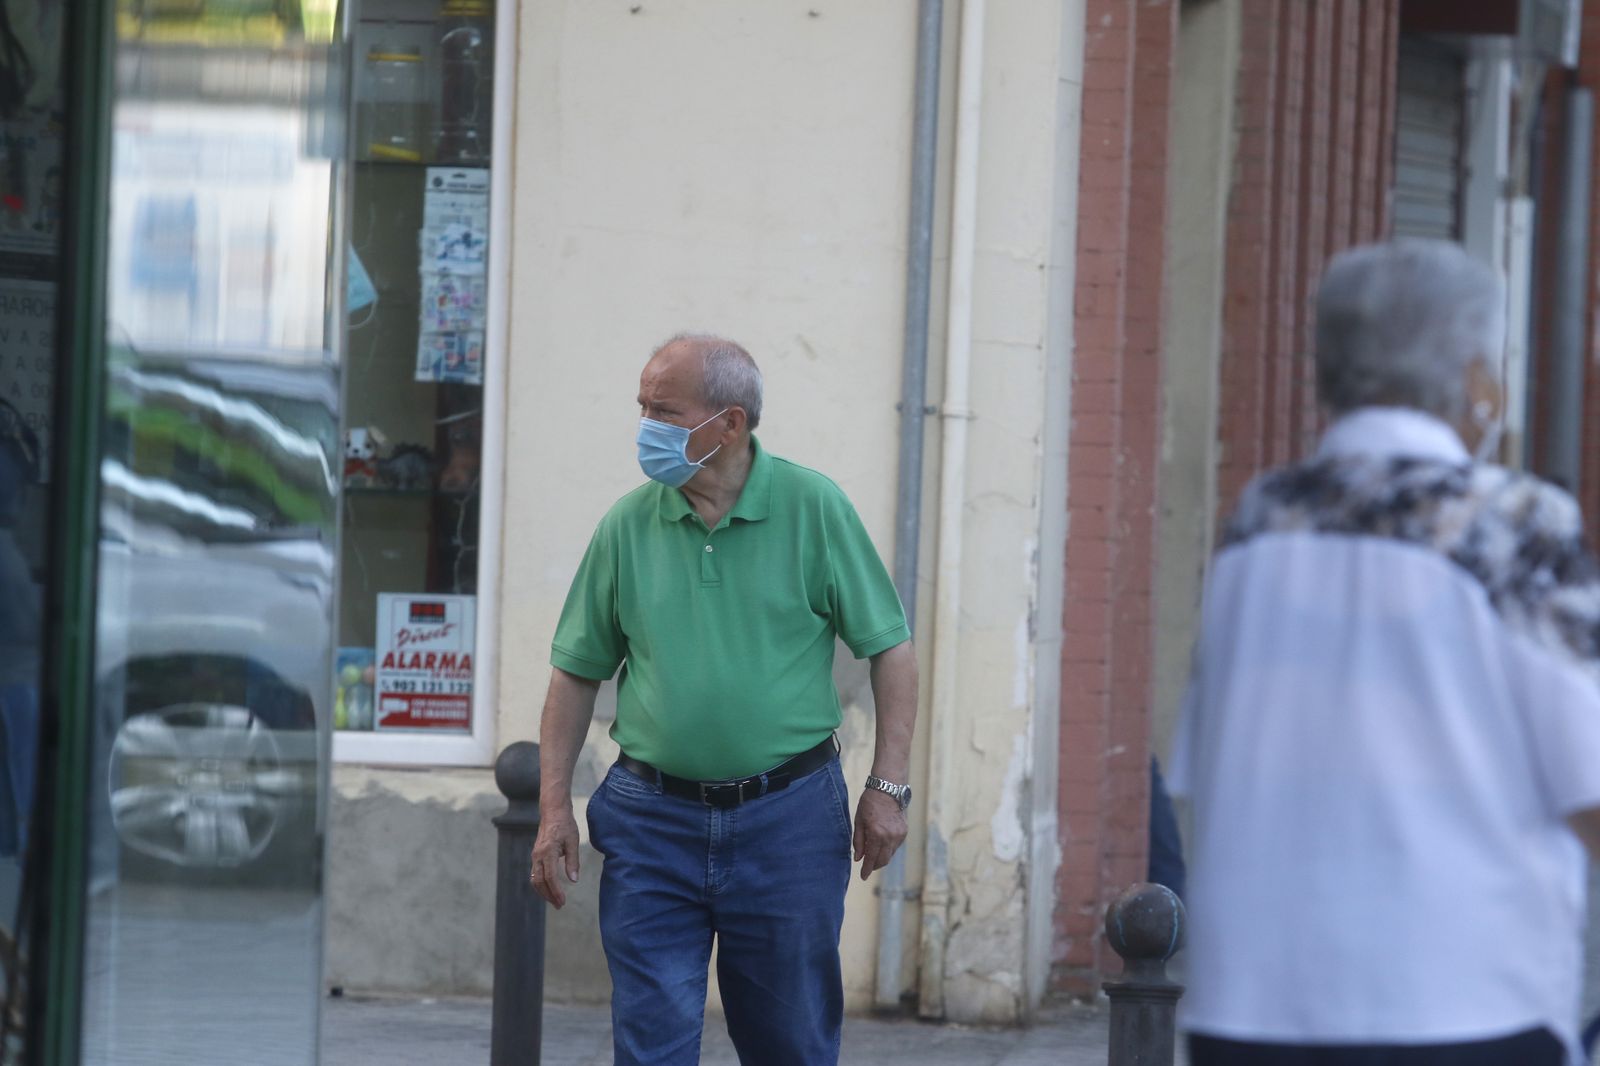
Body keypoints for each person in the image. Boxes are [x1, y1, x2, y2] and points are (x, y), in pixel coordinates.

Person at [1169, 239, 1600, 1066]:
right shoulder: (1512, 523)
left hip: (1253, 1002)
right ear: (1478, 379)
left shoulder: (1262, 516)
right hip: (1458, 1000)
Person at [529, 333, 918, 1066]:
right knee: (651, 1046)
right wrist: (554, 808)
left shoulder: (814, 508)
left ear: (730, 423)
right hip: (651, 821)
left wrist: (887, 787)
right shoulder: (627, 524)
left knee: (789, 1045)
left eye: (663, 410)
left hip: (789, 823)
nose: (644, 425)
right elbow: (575, 674)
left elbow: (892, 648)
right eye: (641, 406)